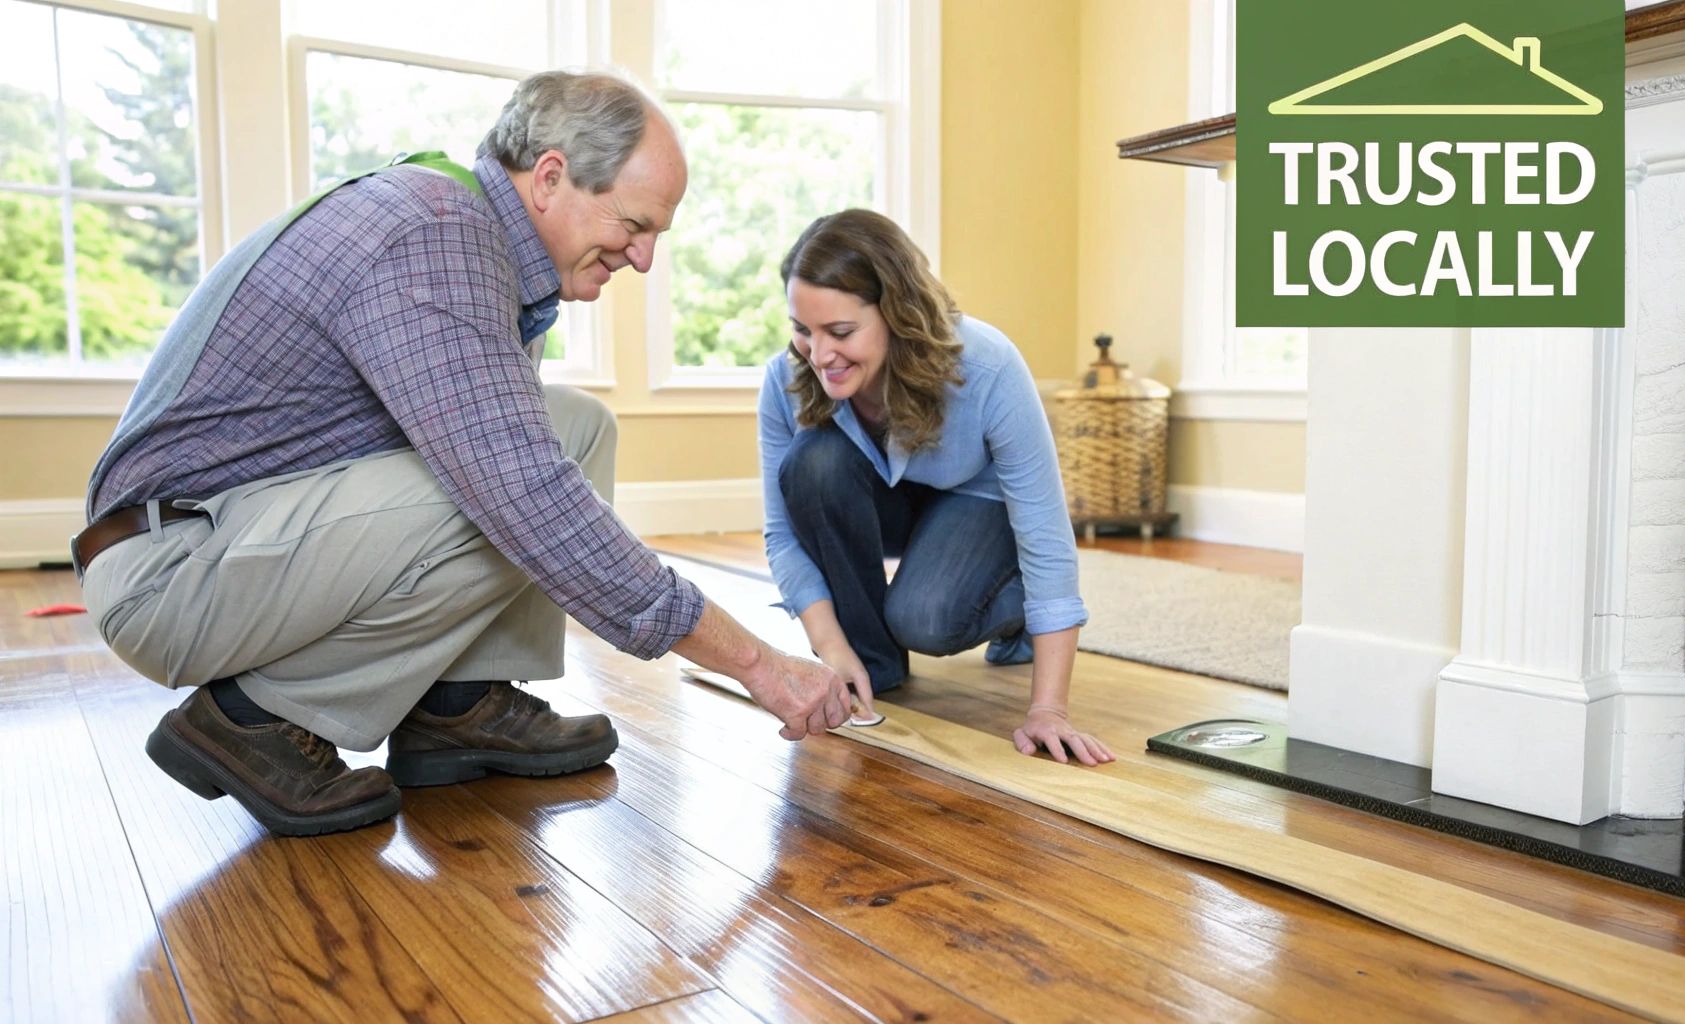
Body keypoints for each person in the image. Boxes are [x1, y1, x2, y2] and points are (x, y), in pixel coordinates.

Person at [75, 71, 858, 837]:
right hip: (171, 573)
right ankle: (251, 720)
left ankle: (461, 705)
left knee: (574, 427)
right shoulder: (436, 235)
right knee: (508, 485)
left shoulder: (476, 240)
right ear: (550, 177)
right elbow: (533, 506)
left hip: (236, 542)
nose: (644, 258)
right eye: (635, 225)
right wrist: (758, 665)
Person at [759, 209, 1114, 765]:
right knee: (815, 463)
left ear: (896, 313)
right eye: (803, 329)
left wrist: (1050, 710)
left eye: (842, 332)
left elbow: (1045, 528)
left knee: (924, 619)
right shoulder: (786, 380)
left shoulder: (988, 364)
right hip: (890, 506)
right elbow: (783, 534)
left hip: (978, 503)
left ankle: (1015, 612)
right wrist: (830, 649)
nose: (820, 354)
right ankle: (872, 665)